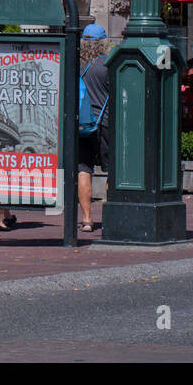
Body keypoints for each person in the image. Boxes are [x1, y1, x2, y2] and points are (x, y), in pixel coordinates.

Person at [76, 24, 111, 233]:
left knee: (83, 170)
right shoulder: (108, 65)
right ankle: (108, 216)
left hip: (81, 124)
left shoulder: (76, 65)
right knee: (112, 171)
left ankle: (87, 219)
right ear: (103, 42)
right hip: (105, 123)